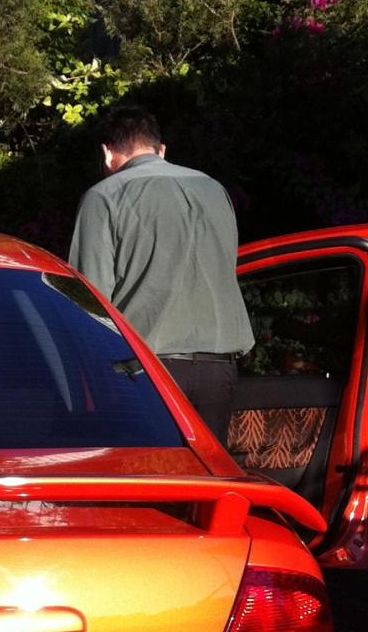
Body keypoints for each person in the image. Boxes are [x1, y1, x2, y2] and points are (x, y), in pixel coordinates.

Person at [68, 104, 253, 443]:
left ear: (107, 154)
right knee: (204, 487)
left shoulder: (104, 197)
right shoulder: (213, 189)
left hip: (146, 370)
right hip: (219, 367)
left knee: (150, 483)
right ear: (161, 150)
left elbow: (90, 303)